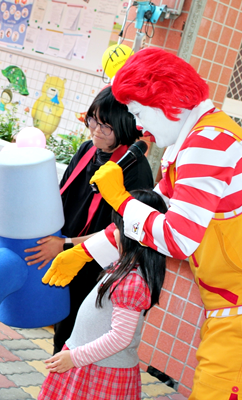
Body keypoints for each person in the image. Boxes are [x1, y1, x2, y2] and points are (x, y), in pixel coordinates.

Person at [43, 48, 242, 400]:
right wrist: (87, 251)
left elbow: (178, 237)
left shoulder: (210, 144)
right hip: (236, 307)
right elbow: (156, 210)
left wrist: (119, 199)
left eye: (137, 111)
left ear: (166, 102)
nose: (137, 125)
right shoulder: (190, 143)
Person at [24, 87, 153, 353]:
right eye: (92, 120)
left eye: (105, 126)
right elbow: (61, 198)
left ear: (126, 127)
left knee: (81, 342)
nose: (95, 130)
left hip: (100, 269)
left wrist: (66, 244)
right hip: (68, 257)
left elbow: (124, 232)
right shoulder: (86, 150)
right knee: (62, 336)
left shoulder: (135, 170)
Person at [39, 189, 167, 400]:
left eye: (117, 226)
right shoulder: (122, 266)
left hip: (100, 370)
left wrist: (75, 357)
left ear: (133, 233)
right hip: (88, 364)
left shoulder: (133, 281)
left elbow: (120, 338)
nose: (111, 232)